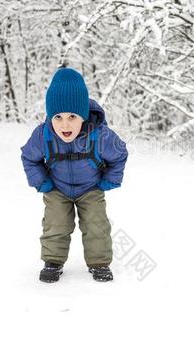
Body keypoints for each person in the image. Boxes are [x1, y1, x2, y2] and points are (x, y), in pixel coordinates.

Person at [20, 67, 128, 283]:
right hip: (57, 189)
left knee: (96, 224)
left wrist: (108, 181)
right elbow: (29, 157)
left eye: (72, 117)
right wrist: (42, 183)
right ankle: (53, 261)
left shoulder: (100, 135)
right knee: (55, 224)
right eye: (57, 117)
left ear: (83, 116)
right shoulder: (43, 135)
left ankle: (99, 263)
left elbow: (120, 154)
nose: (65, 124)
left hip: (90, 188)